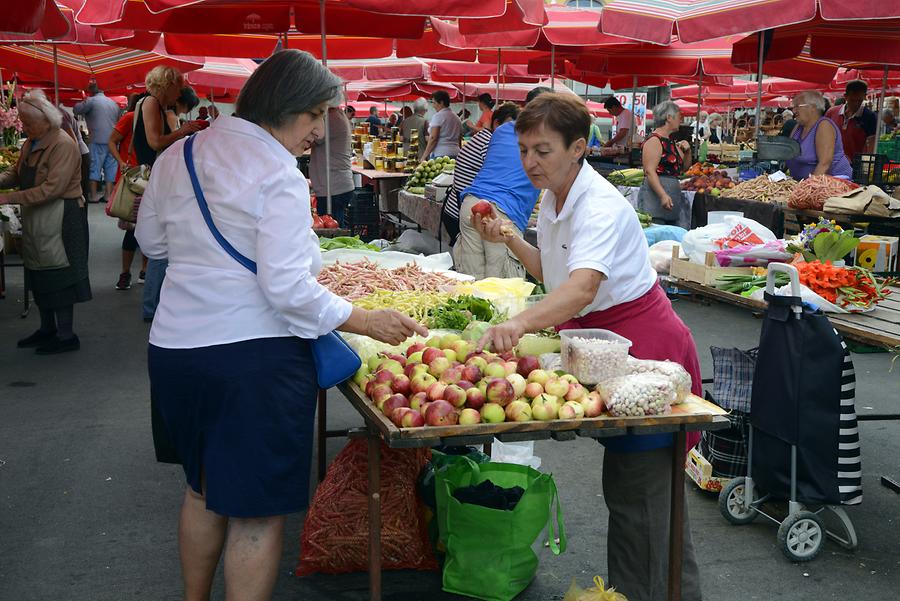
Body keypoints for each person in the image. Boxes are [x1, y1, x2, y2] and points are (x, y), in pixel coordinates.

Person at [135, 49, 426, 601]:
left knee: (200, 491)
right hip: (252, 361)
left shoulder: (181, 155)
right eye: (316, 115)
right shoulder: (278, 174)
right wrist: (365, 319)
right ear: (288, 106)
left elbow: (152, 243)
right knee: (257, 515)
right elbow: (290, 291)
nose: (319, 130)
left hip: (174, 349)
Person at [469, 92, 704, 601]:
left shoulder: (596, 203)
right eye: (525, 149)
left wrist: (519, 324)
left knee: (642, 495)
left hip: (646, 353)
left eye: (543, 150)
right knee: (633, 495)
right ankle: (637, 591)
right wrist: (509, 237)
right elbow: (556, 274)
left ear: (578, 148)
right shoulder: (555, 195)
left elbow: (581, 289)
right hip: (604, 350)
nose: (530, 161)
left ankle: (649, 593)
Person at [0, 90, 91, 354]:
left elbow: (52, 188)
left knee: (59, 274)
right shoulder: (32, 142)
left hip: (61, 216)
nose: (24, 128)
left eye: (28, 123)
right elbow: (17, 173)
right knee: (39, 272)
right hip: (37, 217)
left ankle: (66, 335)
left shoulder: (63, 144)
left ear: (46, 121)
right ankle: (46, 329)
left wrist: (8, 199)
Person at [455, 87, 549, 279]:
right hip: (501, 213)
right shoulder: (545, 136)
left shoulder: (503, 129)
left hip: (471, 204)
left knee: (471, 285)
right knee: (501, 291)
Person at [135, 69, 204, 322]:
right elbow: (155, 142)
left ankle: (155, 304)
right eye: (178, 87)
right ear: (167, 84)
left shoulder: (154, 103)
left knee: (161, 243)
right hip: (153, 175)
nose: (179, 93)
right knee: (160, 246)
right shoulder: (151, 102)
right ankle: (152, 307)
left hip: (155, 175)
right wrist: (183, 131)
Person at [441, 102, 520, 247]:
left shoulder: (482, 136)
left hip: (457, 209)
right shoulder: (490, 142)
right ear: (496, 123)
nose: (512, 132)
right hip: (463, 212)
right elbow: (498, 175)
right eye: (509, 126)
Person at [108, 93, 149, 290]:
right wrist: (121, 161)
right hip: (133, 180)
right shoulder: (131, 117)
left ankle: (144, 271)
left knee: (148, 229)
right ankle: (125, 273)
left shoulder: (158, 119)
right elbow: (111, 141)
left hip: (150, 179)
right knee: (133, 230)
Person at [638, 101, 692, 230]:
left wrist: (688, 151)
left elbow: (684, 168)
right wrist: (662, 195)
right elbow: (650, 171)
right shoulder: (654, 140)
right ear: (669, 117)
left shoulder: (672, 142)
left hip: (672, 197)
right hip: (655, 197)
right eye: (679, 116)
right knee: (656, 233)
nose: (681, 119)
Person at [785, 91, 853, 180]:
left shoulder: (824, 125)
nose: (793, 110)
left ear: (812, 107)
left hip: (831, 184)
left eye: (797, 106)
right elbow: (789, 154)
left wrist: (806, 189)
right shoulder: (798, 127)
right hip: (802, 183)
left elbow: (824, 164)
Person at [73, 81, 122, 203]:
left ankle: (94, 195)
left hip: (97, 139)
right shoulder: (114, 104)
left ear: (91, 91)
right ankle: (108, 195)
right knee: (110, 167)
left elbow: (76, 110)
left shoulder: (91, 101)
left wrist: (83, 97)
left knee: (95, 167)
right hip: (112, 140)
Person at [309, 103, 355, 227]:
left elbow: (313, 137)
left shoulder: (331, 119)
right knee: (333, 225)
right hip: (333, 185)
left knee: (332, 228)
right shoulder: (335, 116)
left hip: (333, 187)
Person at [826, 79, 877, 163]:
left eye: (859, 101)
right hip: (831, 162)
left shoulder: (869, 117)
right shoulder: (831, 113)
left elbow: (871, 143)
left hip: (855, 165)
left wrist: (867, 165)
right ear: (845, 96)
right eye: (852, 100)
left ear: (865, 96)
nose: (856, 104)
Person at [421, 90, 462, 159]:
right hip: (456, 153)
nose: (433, 106)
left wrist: (424, 156)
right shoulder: (457, 118)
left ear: (441, 103)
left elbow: (433, 138)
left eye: (434, 103)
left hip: (441, 154)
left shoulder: (438, 116)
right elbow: (459, 138)